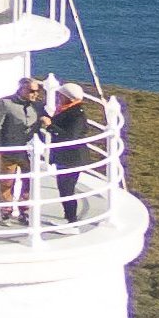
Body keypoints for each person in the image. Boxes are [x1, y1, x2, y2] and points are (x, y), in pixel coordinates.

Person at [0, 77, 47, 223]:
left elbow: (45, 118)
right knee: (7, 181)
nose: (35, 94)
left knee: (28, 181)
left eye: (37, 91)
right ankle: (6, 210)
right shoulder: (5, 103)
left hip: (30, 151)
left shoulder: (37, 105)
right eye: (31, 91)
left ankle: (24, 210)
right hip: (10, 149)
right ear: (22, 89)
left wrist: (46, 120)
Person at [46, 82, 91, 223]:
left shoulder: (77, 114)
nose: (58, 96)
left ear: (67, 97)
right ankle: (69, 218)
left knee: (67, 190)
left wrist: (50, 126)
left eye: (61, 94)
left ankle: (72, 221)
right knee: (65, 189)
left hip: (72, 159)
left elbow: (70, 137)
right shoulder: (68, 110)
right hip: (66, 158)